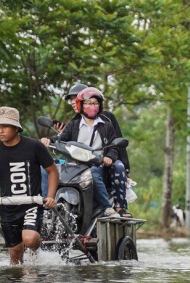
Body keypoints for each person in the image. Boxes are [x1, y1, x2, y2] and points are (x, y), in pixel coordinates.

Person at [0, 107, 59, 265]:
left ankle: (37, 252)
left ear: (16, 128)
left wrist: (50, 196)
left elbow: (53, 171)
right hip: (8, 208)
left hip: (32, 205)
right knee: (15, 257)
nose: (0, 131)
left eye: (5, 127)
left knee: (29, 239)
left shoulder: (34, 146)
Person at [44, 83, 132, 216]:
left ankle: (115, 207)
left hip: (99, 161)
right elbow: (61, 138)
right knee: (46, 166)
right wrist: (48, 140)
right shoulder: (74, 123)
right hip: (76, 162)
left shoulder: (106, 121)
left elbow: (115, 143)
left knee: (116, 166)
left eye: (93, 103)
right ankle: (44, 204)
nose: (73, 102)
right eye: (72, 99)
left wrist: (116, 162)